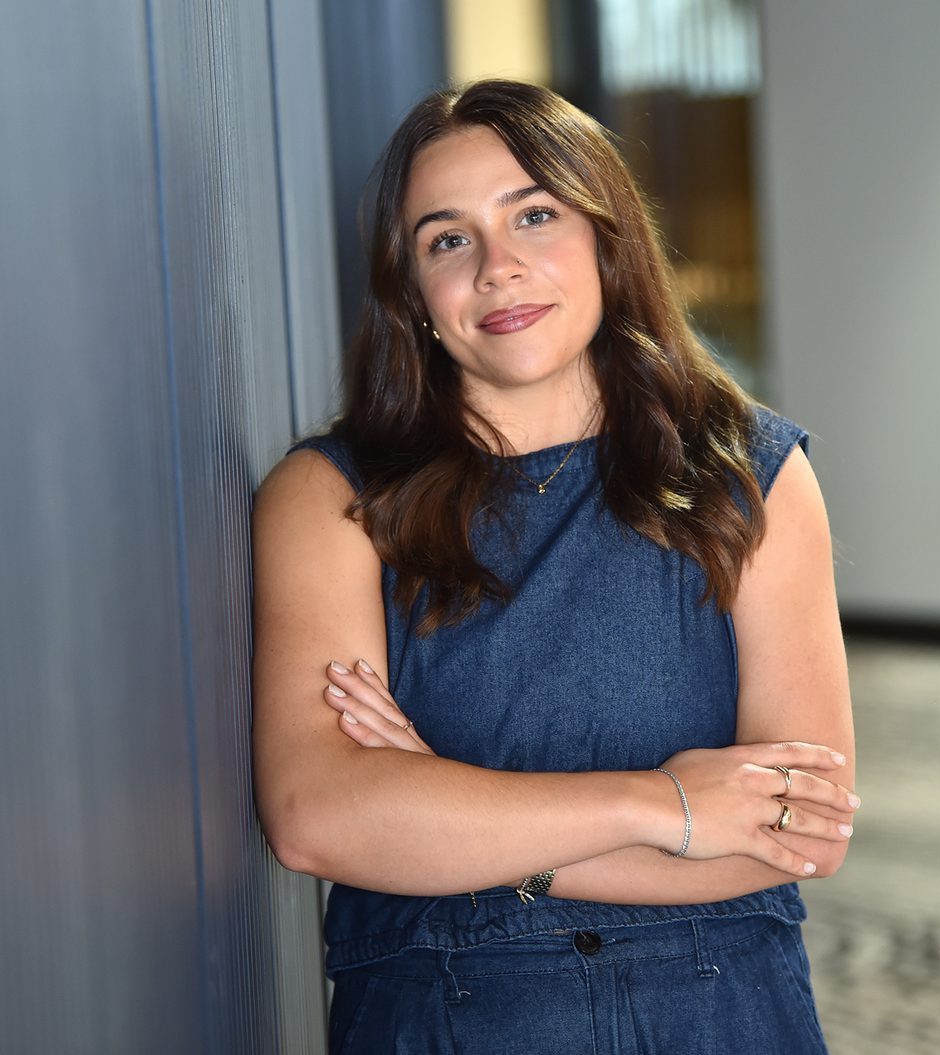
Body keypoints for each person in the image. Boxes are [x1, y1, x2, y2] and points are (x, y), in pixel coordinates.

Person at [252, 79, 857, 1054]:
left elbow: (800, 828)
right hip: (446, 1013)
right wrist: (666, 804)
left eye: (535, 214)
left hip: (724, 1013)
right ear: (411, 292)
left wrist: (467, 819)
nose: (499, 266)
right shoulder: (329, 499)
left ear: (607, 241)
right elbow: (318, 815)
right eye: (448, 238)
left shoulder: (752, 473)